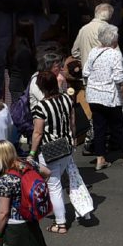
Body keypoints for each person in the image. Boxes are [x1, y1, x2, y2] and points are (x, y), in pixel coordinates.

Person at [29, 69, 96, 230]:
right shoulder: (66, 99)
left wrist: (31, 153)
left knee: (54, 186)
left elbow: (37, 133)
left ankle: (60, 222)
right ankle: (72, 213)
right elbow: (72, 122)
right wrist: (72, 139)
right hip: (66, 145)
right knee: (63, 181)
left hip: (49, 149)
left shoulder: (41, 106)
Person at [85, 23, 123, 170]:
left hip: (94, 95)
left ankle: (100, 158)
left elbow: (85, 72)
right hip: (110, 96)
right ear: (114, 40)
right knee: (119, 126)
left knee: (99, 127)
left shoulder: (93, 52)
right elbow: (119, 78)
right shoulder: (115, 54)